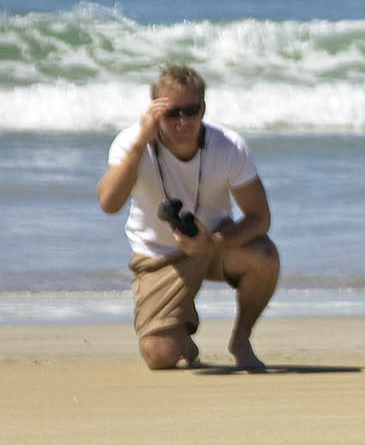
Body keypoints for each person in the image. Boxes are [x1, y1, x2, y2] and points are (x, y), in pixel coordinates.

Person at [98, 64, 279, 371]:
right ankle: (181, 335)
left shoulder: (228, 146)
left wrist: (214, 242)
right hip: (158, 255)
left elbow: (260, 218)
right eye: (171, 113)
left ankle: (241, 340)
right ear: (154, 112)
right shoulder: (131, 143)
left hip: (214, 244)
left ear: (203, 109)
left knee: (264, 255)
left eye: (191, 110)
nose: (182, 121)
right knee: (161, 356)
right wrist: (141, 143)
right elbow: (109, 203)